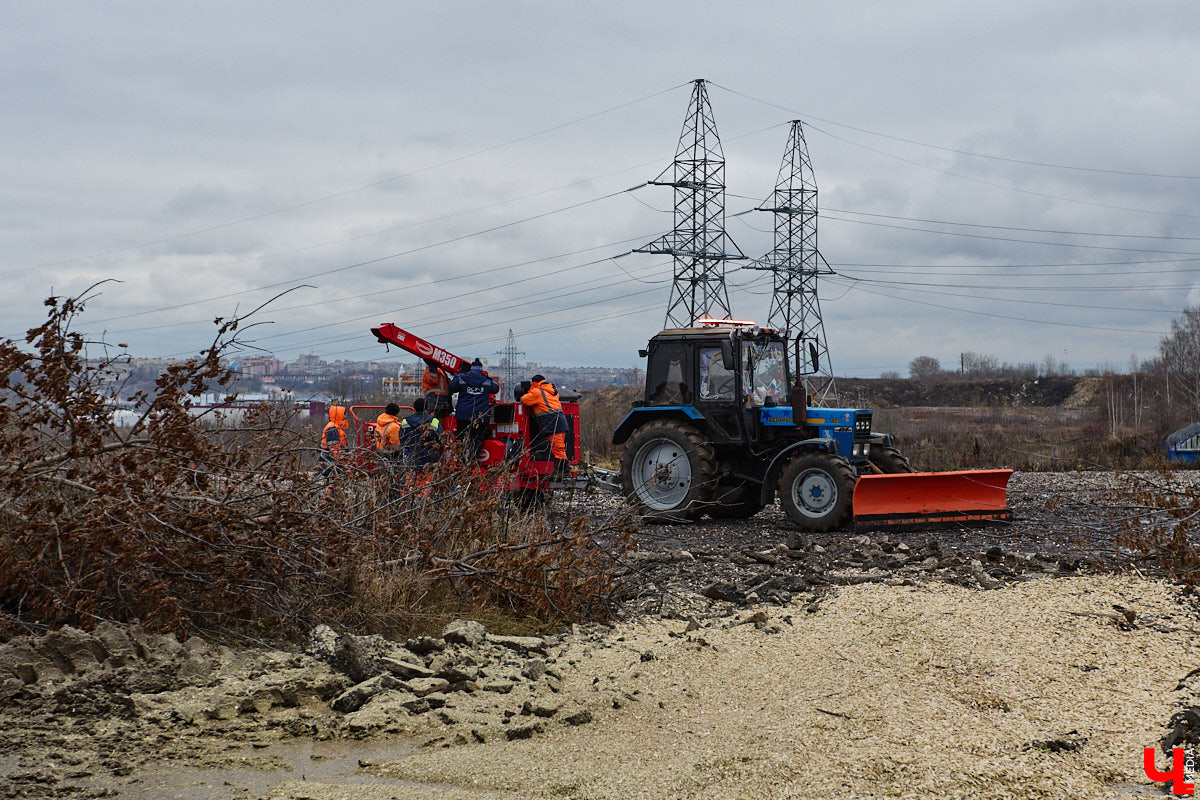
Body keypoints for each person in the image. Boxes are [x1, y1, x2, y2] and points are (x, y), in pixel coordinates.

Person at [448, 358, 499, 464]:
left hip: (463, 415)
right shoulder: (486, 381)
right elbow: (496, 389)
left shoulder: (462, 379)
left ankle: (460, 460)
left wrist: (456, 378)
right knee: (478, 438)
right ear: (480, 369)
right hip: (480, 416)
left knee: (461, 437)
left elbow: (451, 388)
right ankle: (473, 460)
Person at [520, 374, 570, 476]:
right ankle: (560, 471)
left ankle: (563, 471)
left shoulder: (537, 392)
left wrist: (530, 390)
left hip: (552, 422)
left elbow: (524, 400)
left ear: (534, 383)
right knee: (558, 447)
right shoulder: (552, 390)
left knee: (558, 448)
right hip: (559, 421)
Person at [399, 397, 442, 470]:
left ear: (414, 407)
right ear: (426, 407)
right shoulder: (434, 420)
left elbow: (402, 439)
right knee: (429, 480)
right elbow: (441, 439)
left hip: (411, 457)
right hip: (431, 458)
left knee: (410, 479)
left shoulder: (405, 421)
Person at [317, 404, 349, 492]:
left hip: (330, 460)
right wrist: (341, 462)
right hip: (330, 461)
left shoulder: (335, 426)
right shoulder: (332, 427)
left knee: (333, 483)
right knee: (332, 484)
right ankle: (330, 500)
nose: (345, 416)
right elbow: (334, 448)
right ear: (337, 414)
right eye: (343, 414)